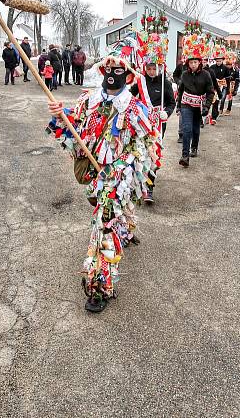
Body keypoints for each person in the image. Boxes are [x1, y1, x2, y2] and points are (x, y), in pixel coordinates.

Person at [46, 46, 159, 313]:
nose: (112, 75)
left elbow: (146, 146)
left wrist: (122, 168)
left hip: (118, 177)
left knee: (104, 222)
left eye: (118, 70)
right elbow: (77, 135)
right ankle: (128, 228)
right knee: (110, 210)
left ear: (129, 76)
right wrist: (60, 117)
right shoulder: (88, 101)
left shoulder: (135, 108)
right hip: (95, 174)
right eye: (108, 69)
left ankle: (100, 284)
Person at [131, 60, 176, 203]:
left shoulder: (165, 83)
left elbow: (171, 102)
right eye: (149, 69)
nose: (151, 71)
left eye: (153, 69)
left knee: (153, 153)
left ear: (159, 69)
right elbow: (129, 97)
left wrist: (167, 113)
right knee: (139, 151)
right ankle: (137, 183)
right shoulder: (140, 81)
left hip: (157, 123)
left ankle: (149, 187)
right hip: (141, 122)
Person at [177, 56, 215, 167]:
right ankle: (185, 156)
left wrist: (207, 106)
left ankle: (194, 147)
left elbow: (210, 92)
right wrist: (179, 106)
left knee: (195, 129)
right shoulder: (184, 75)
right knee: (186, 128)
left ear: (199, 63)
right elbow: (180, 91)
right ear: (187, 63)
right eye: (191, 62)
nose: (193, 64)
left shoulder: (206, 75)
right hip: (186, 104)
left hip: (199, 106)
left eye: (195, 62)